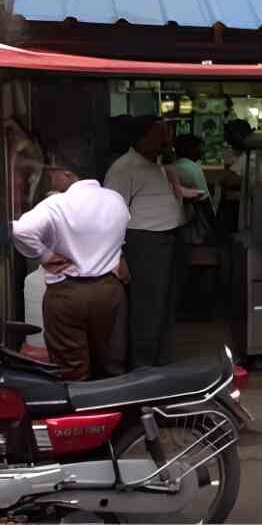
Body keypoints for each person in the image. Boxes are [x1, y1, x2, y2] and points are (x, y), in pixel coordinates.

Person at [11, 157, 130, 380]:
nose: (50, 178)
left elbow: (20, 231)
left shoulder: (57, 204)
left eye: (53, 172)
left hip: (68, 293)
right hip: (109, 290)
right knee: (106, 359)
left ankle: (79, 399)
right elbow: (118, 230)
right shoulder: (115, 199)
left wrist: (46, 256)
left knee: (71, 366)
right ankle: (109, 398)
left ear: (67, 173)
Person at [105, 116, 186, 369]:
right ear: (141, 137)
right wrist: (118, 255)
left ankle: (161, 360)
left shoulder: (158, 165)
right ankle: (143, 365)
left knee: (165, 303)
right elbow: (112, 214)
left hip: (168, 239)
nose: (166, 140)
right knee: (147, 306)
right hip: (144, 243)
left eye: (166, 134)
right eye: (159, 134)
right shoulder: (124, 168)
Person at [173, 134, 211, 202]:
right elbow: (204, 199)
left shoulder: (178, 166)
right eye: (200, 147)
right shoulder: (191, 167)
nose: (203, 151)